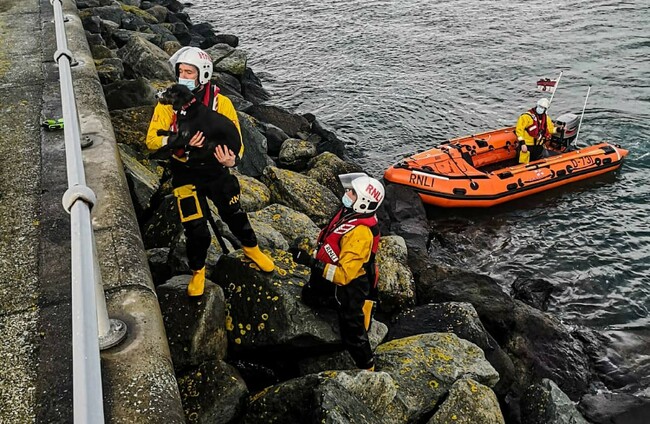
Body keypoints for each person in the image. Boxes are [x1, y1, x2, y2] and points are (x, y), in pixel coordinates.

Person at [146, 46, 274, 296]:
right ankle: (198, 272)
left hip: (216, 171)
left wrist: (231, 161)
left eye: (189, 72)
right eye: (181, 71)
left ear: (202, 74)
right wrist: (179, 141)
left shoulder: (220, 102)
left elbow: (236, 138)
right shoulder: (167, 105)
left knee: (235, 214)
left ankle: (252, 249)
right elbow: (151, 140)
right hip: (184, 172)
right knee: (196, 228)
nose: (183, 76)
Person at [292, 173, 384, 371]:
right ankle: (330, 300)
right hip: (330, 272)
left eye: (351, 192)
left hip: (351, 286)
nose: (346, 193)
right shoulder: (350, 213)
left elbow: (344, 276)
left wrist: (310, 262)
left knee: (353, 332)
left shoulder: (360, 233)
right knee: (309, 296)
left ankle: (368, 366)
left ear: (364, 202)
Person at [515, 97, 558, 164]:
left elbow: (550, 129)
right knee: (523, 163)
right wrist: (522, 143)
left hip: (538, 145)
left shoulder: (546, 118)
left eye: (543, 108)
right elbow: (519, 130)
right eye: (540, 106)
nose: (541, 109)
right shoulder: (526, 117)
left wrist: (558, 129)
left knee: (537, 162)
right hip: (527, 145)